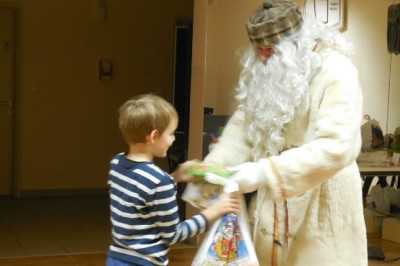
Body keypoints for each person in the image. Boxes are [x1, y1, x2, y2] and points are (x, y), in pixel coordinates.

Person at [200, 1, 368, 265]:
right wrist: (212, 168)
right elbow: (244, 127)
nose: (264, 57)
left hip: (321, 205)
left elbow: (338, 145)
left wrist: (265, 172)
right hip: (272, 208)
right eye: (259, 50)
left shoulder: (336, 71)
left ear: (297, 42)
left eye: (271, 49)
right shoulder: (266, 71)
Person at [106, 94, 240, 266]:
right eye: (171, 134)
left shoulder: (117, 163)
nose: (174, 139)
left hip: (116, 258)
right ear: (154, 136)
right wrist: (213, 211)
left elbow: (141, 194)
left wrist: (176, 176)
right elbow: (173, 235)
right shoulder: (159, 181)